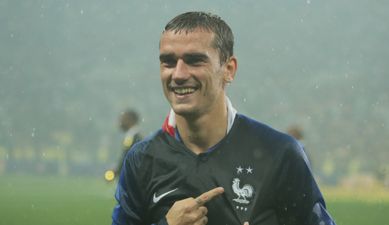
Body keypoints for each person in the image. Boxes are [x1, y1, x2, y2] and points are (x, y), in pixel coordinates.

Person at [112, 11, 336, 225]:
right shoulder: (141, 160)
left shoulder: (279, 153)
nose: (178, 74)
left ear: (229, 69)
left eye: (195, 60)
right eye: (168, 62)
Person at [116, 109, 142, 176]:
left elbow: (128, 157)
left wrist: (118, 170)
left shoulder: (135, 137)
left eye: (123, 119)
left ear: (131, 120)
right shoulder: (131, 136)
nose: (120, 122)